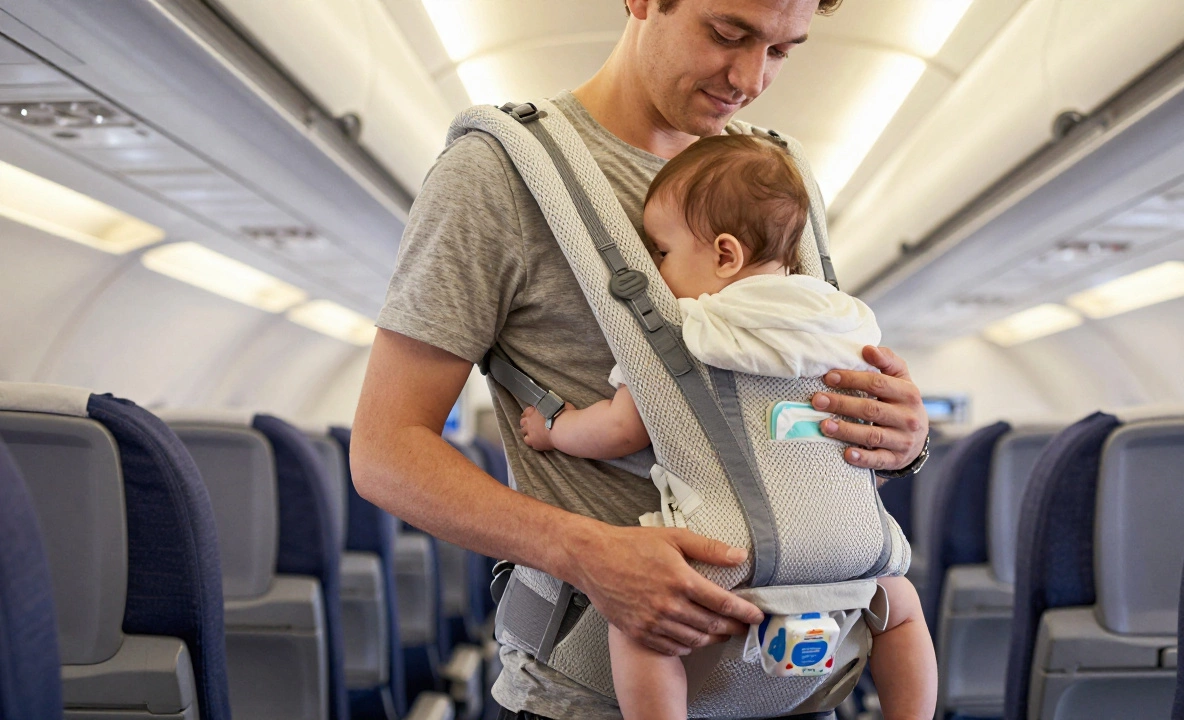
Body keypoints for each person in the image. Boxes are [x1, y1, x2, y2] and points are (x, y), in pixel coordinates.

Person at [351, 1, 931, 718]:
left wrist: (900, 438)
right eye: (728, 33)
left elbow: (791, 411)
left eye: (783, 50)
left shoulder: (773, 179)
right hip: (595, 695)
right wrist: (582, 550)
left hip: (802, 680)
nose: (749, 77)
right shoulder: (495, 176)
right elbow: (384, 451)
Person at [518, 134, 936, 720]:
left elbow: (618, 430)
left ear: (724, 256)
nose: (658, 270)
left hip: (729, 552)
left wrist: (553, 430)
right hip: (854, 548)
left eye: (662, 252)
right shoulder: (844, 325)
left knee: (639, 629)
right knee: (903, 606)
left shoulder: (686, 333)